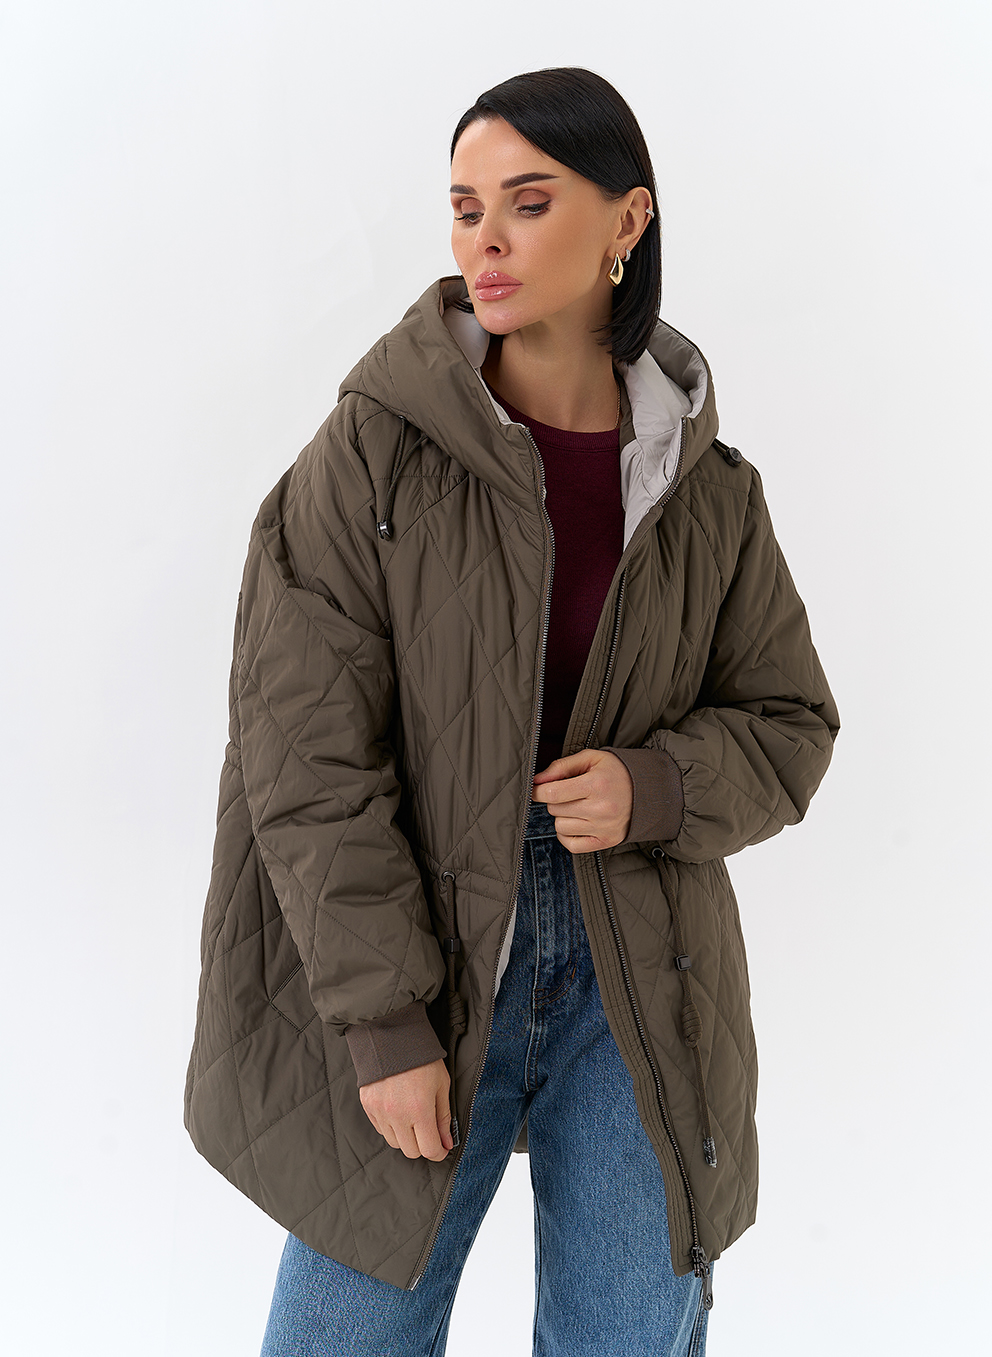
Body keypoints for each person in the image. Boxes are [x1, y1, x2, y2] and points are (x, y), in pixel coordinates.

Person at [184, 66, 839, 1357]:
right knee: (345, 1334)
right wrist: (383, 1020)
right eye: (465, 207)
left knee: (628, 1334)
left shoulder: (708, 489)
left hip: (640, 953)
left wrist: (657, 786)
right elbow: (302, 751)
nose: (484, 239)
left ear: (627, 221)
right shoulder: (372, 454)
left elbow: (790, 720)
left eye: (528, 204)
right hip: (422, 944)